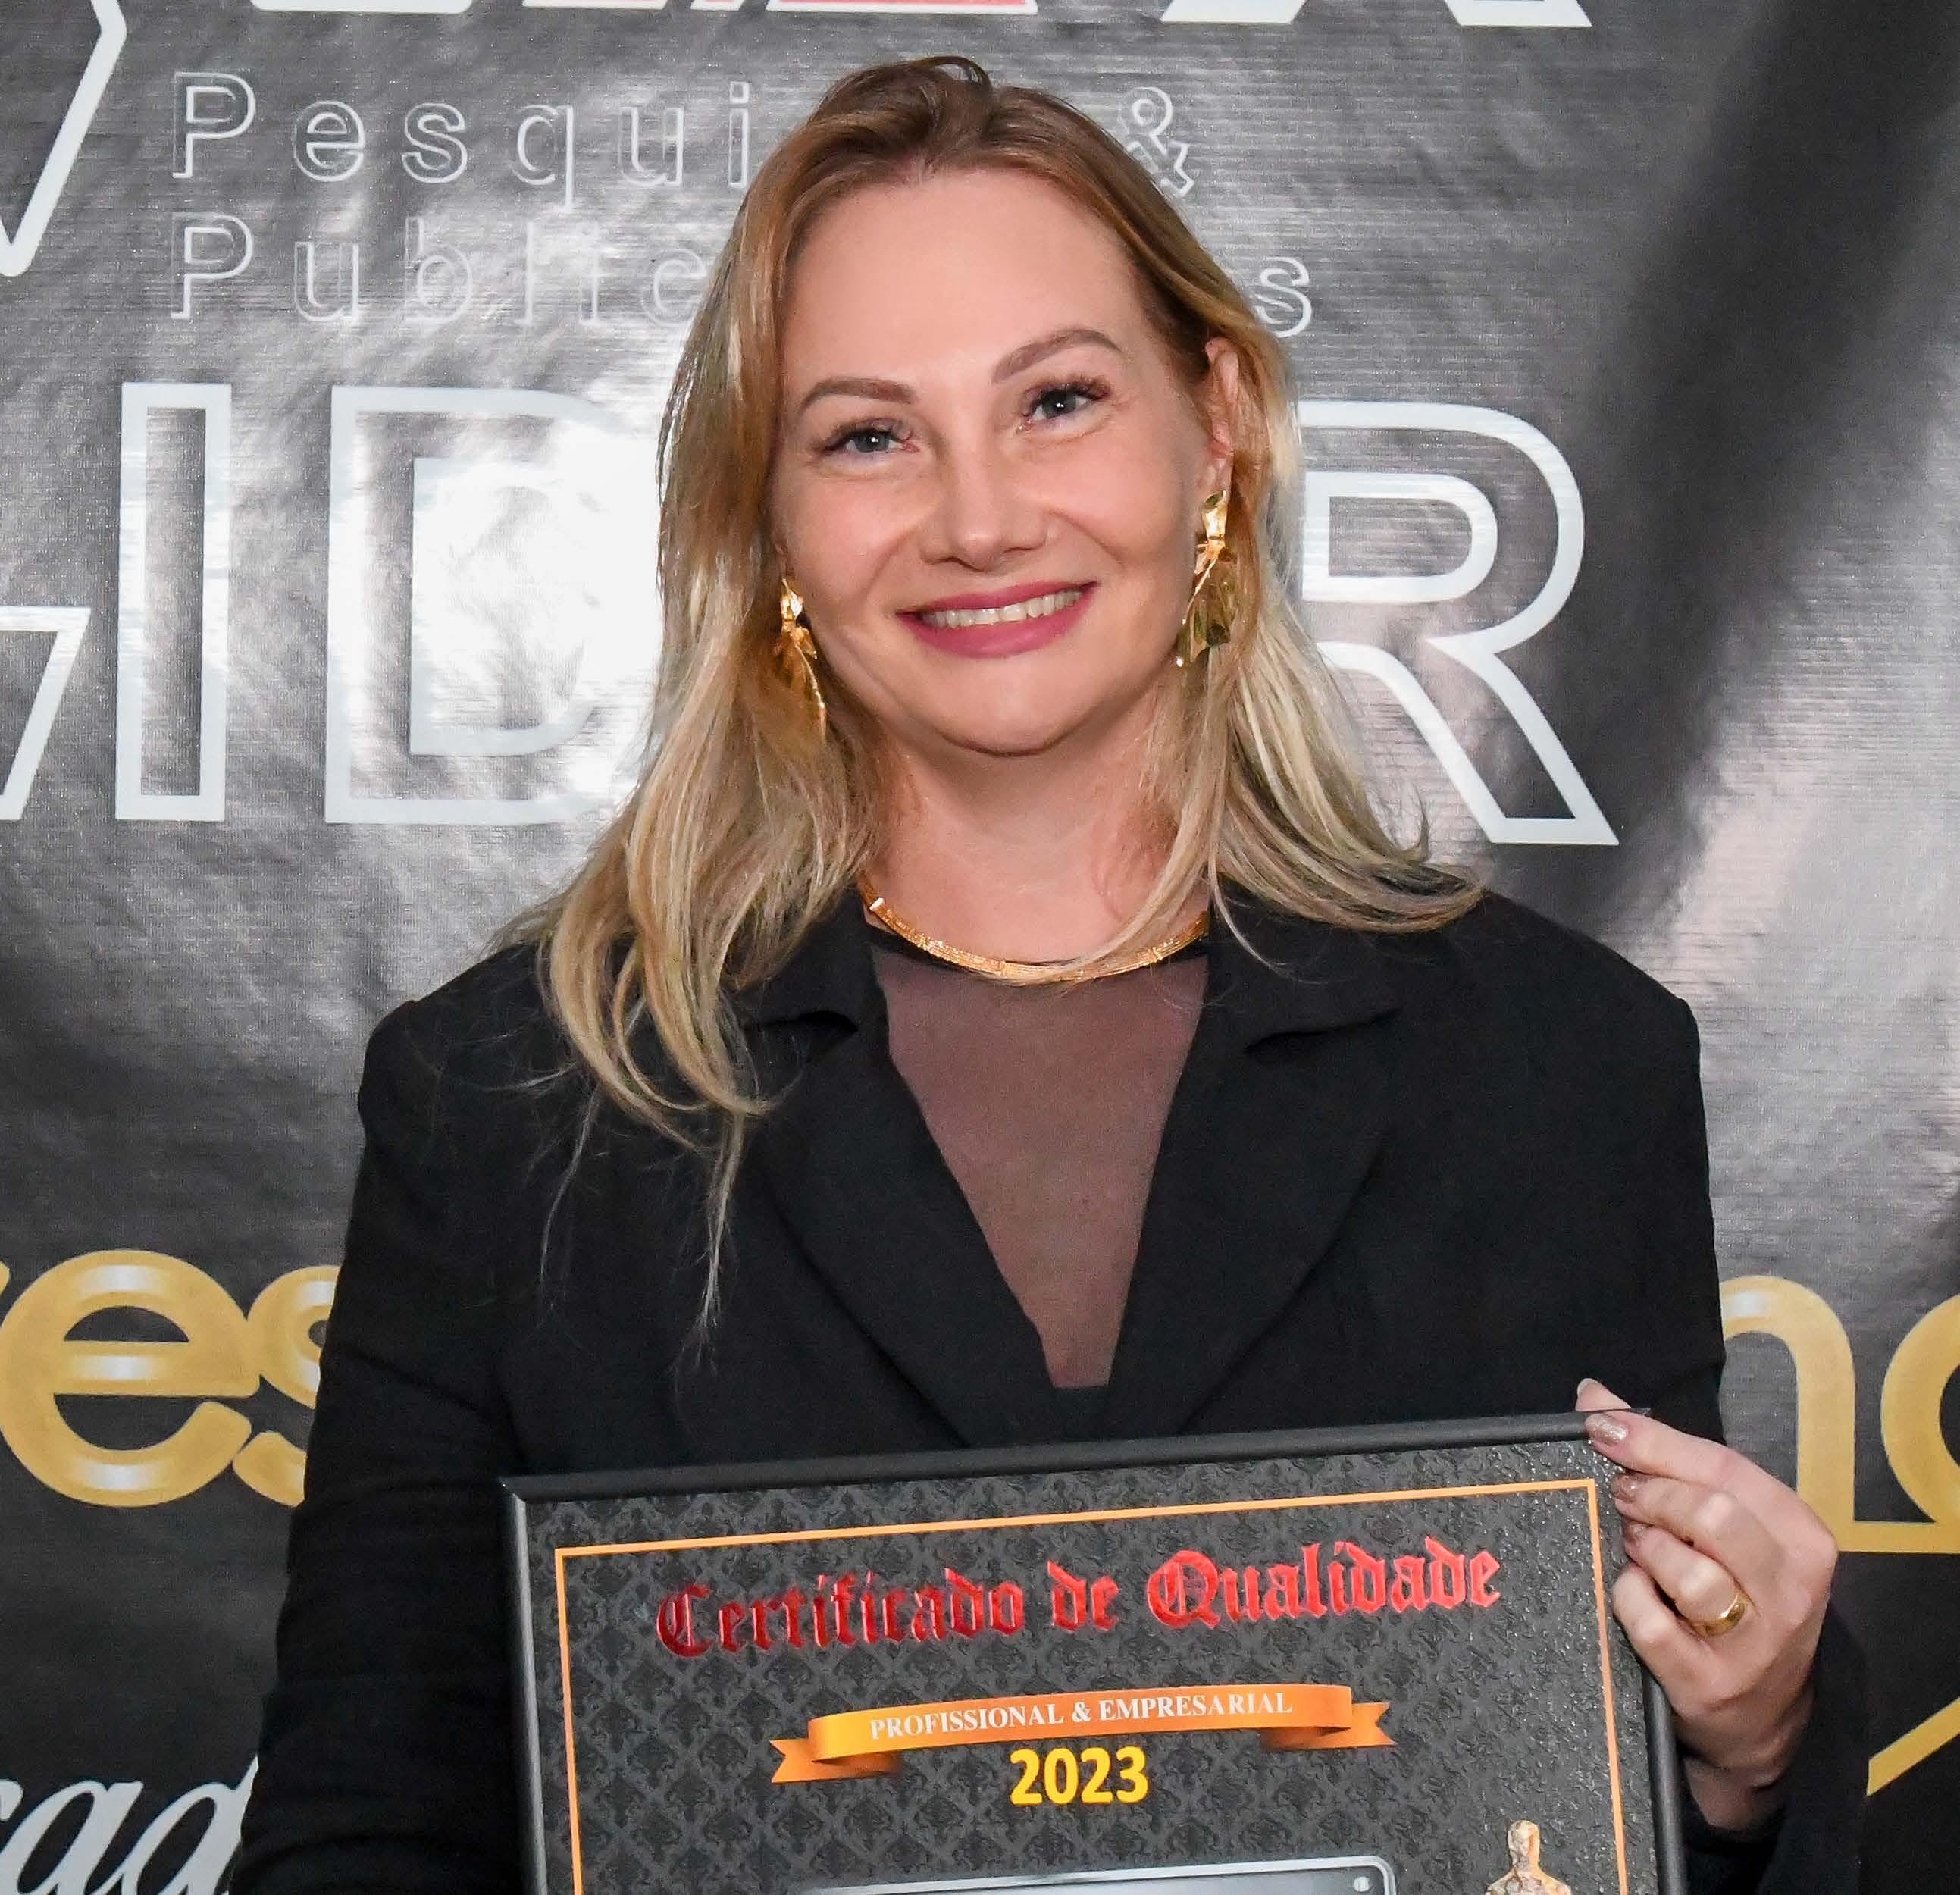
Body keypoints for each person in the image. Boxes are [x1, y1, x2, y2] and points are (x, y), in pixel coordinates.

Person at [232, 54, 1863, 1895]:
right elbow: (365, 1832)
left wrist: (1745, 1753)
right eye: (869, 436)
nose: (981, 515)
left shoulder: (1564, 1071)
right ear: (770, 522)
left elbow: (1607, 1810)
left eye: (1058, 400)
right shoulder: (516, 1101)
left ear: (1217, 427)